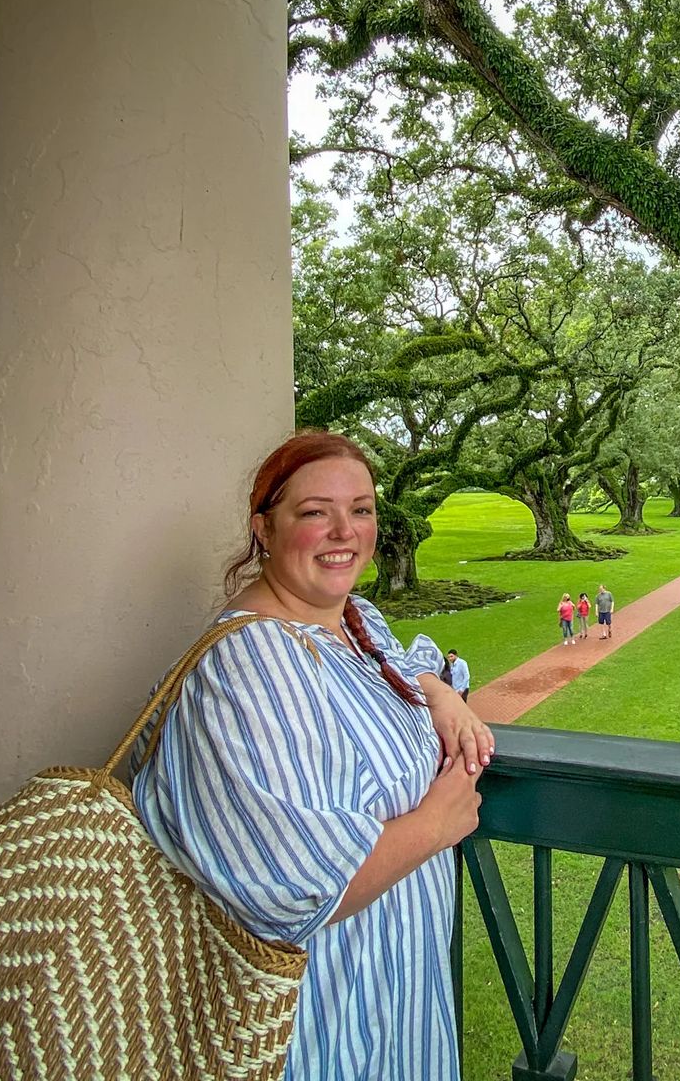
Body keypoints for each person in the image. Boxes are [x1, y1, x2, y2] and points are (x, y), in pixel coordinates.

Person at [130, 430, 493, 1081]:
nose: (344, 531)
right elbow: (291, 887)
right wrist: (438, 824)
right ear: (263, 529)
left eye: (361, 509)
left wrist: (437, 689)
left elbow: (395, 672)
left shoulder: (355, 621)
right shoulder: (253, 666)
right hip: (323, 1028)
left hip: (400, 1011)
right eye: (314, 512)